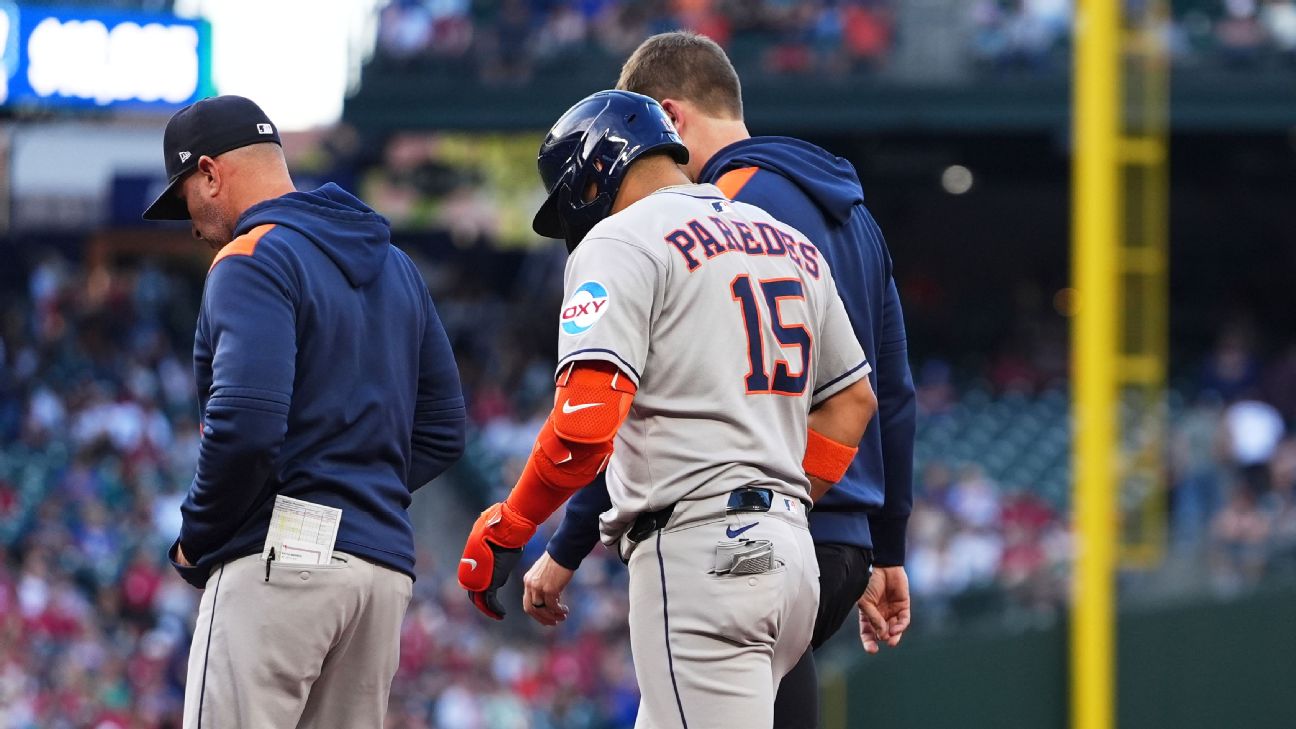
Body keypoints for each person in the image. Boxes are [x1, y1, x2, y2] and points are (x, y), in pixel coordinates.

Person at [524, 31, 916, 729]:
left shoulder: (709, 215)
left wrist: (560, 542)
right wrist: (885, 545)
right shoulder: (850, 218)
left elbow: (642, 399)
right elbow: (885, 392)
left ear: (668, 118)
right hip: (827, 541)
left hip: (734, 537)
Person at [142, 95, 467, 729]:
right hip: (380, 575)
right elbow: (443, 430)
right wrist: (352, 494)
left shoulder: (251, 257)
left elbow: (246, 426)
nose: (191, 224)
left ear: (209, 172)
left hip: (282, 560)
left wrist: (197, 540)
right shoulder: (396, 266)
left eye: (185, 197)